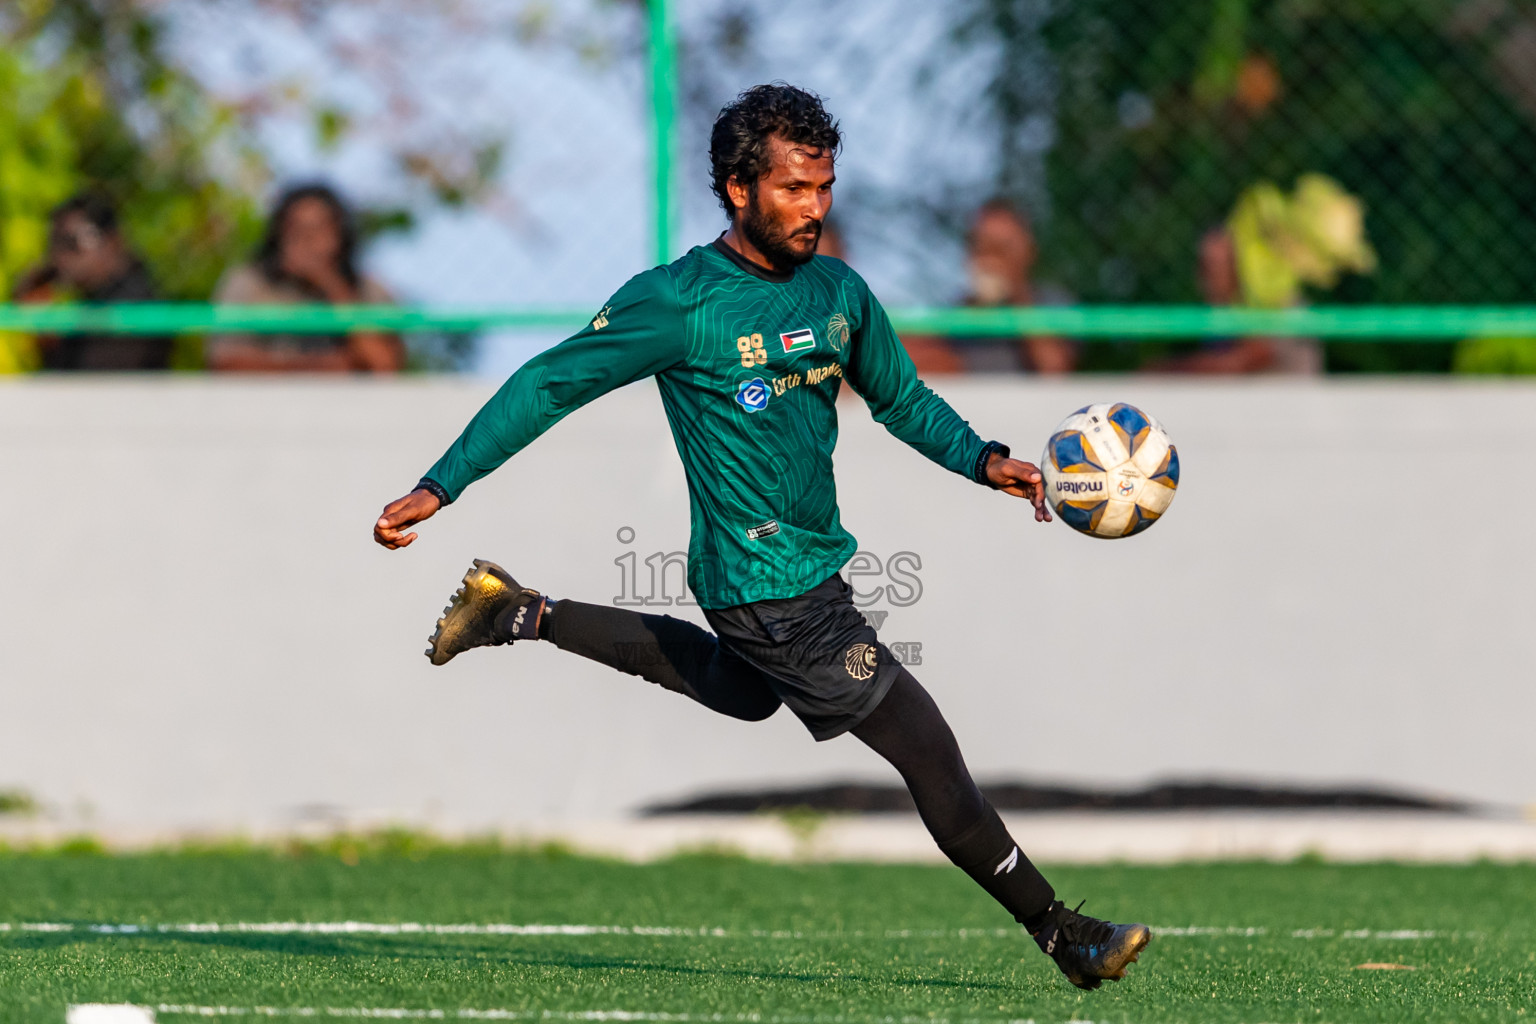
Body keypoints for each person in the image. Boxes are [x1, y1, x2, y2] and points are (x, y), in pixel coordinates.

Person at [372, 84, 1149, 991]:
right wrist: (441, 482)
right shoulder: (680, 303)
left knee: (746, 699)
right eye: (792, 189)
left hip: (809, 573)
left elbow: (899, 399)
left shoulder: (839, 292)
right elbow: (549, 383)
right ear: (738, 190)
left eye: (823, 188)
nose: (814, 209)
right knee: (929, 751)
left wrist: (987, 461)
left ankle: (521, 611)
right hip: (767, 585)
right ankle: (1065, 935)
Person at [209, 184, 402, 372]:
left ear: (339, 235)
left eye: (319, 229)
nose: (307, 240)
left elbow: (383, 365)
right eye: (296, 230)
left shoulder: (366, 288)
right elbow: (225, 363)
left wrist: (333, 287)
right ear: (280, 235)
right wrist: (320, 368)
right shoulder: (249, 283)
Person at [900, 200, 1076, 375]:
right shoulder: (955, 313)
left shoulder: (1053, 302)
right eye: (982, 246)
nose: (993, 256)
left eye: (1004, 247)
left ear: (1029, 250)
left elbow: (1054, 368)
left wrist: (1017, 293)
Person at [11, 194, 172, 371]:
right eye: (54, 243)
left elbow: (90, 381)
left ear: (111, 241)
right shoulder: (94, 303)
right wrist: (45, 333)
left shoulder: (135, 306)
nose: (59, 256)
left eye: (71, 242)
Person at [1152, 226, 1322, 374]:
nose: (1206, 278)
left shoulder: (1272, 299)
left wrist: (1166, 370)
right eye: (1204, 266)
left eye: (1216, 267)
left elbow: (1240, 362)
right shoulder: (1222, 314)